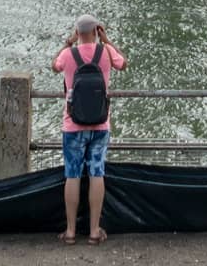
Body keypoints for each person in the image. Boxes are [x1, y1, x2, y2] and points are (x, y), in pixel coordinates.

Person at [52, 14, 127, 245]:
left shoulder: (68, 54)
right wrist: (108, 40)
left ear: (77, 32)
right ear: (97, 31)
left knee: (72, 175)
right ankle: (94, 230)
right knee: (97, 173)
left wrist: (68, 42)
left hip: (72, 125)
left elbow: (54, 67)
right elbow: (123, 64)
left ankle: (71, 231)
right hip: (100, 124)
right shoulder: (105, 52)